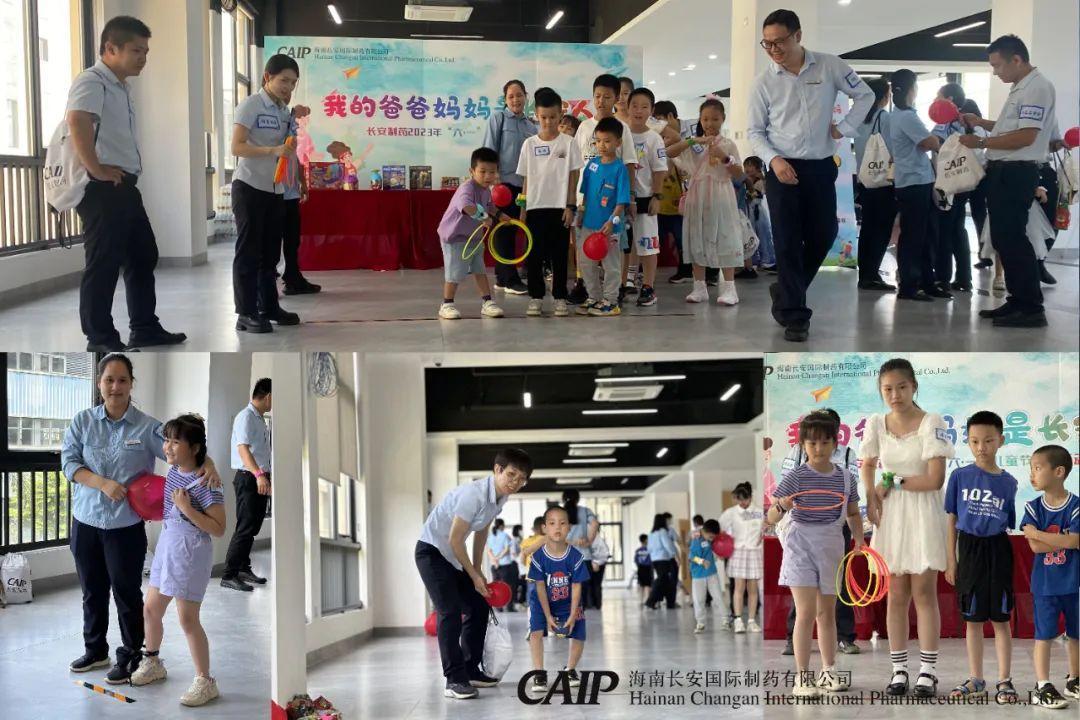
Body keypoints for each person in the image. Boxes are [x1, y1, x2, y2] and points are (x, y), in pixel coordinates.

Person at [62, 354, 221, 684]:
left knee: (127, 593)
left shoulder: (148, 427)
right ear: (99, 383)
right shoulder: (83, 421)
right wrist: (102, 483)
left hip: (125, 526)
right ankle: (95, 650)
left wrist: (210, 464)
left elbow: (183, 446)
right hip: (86, 520)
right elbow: (69, 463)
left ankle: (132, 654)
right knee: (92, 591)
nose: (115, 387)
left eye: (122, 380)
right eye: (109, 380)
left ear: (132, 384)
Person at [748, 9, 874, 342]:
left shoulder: (830, 66)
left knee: (824, 233)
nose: (774, 50)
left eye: (779, 42)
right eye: (767, 44)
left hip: (820, 166)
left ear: (798, 36)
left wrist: (844, 128)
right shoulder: (763, 82)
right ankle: (795, 315)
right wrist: (774, 160)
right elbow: (755, 132)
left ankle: (786, 290)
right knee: (788, 241)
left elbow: (865, 95)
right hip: (782, 168)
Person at [66, 16, 186, 352]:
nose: (143, 57)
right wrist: (96, 169)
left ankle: (144, 328)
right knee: (103, 262)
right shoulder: (92, 81)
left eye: (146, 51)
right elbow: (77, 120)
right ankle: (100, 339)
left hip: (123, 186)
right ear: (110, 48)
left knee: (143, 254)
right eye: (136, 50)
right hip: (102, 188)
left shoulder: (120, 86)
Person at [859, 358, 954, 698]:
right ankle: (899, 670)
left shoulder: (932, 422)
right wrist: (871, 494)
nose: (895, 395)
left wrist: (893, 481)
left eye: (901, 387)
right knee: (896, 595)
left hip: (923, 512)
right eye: (887, 389)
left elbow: (934, 479)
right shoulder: (876, 423)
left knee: (924, 594)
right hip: (892, 515)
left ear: (914, 386)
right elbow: (868, 464)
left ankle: (928, 672)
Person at [415, 449, 532, 700]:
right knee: (449, 611)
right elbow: (455, 539)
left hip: (450, 557)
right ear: (498, 469)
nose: (515, 482)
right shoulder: (473, 494)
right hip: (431, 553)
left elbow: (481, 531)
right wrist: (473, 575)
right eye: (511, 475)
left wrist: (478, 570)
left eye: (522, 479)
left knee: (478, 606)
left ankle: (470, 670)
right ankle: (454, 680)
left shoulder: (500, 497)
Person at [959, 34, 1056, 328]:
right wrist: (981, 123)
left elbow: (1026, 136)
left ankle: (1031, 308)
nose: (995, 72)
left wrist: (981, 142)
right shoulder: (1020, 87)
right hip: (1005, 170)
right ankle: (1018, 300)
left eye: (997, 65)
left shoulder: (1037, 88)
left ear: (1016, 59)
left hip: (1017, 172)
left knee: (1012, 238)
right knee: (1003, 237)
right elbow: (1010, 129)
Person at [130, 414, 226, 707]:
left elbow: (219, 528)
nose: (167, 447)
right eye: (167, 440)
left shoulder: (208, 483)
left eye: (175, 442)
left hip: (191, 550)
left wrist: (187, 508)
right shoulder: (175, 470)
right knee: (150, 609)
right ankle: (153, 662)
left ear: (194, 448)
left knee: (187, 619)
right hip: (168, 543)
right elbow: (199, 457)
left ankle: (205, 682)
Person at [768, 411, 863, 696]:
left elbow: (853, 513)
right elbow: (771, 516)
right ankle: (802, 678)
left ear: (835, 443)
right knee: (806, 612)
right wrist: (782, 506)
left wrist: (859, 540)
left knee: (827, 613)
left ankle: (828, 672)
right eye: (812, 443)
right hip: (800, 547)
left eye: (824, 442)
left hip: (832, 546)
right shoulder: (795, 477)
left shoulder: (846, 478)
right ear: (802, 445)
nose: (818, 449)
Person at [943, 411, 1018, 703]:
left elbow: (1008, 522)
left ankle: (1005, 680)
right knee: (972, 618)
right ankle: (976, 678)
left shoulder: (1009, 482)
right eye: (974, 441)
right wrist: (952, 560)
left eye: (988, 440)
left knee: (1001, 618)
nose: (981, 447)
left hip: (998, 549)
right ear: (968, 441)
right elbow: (951, 520)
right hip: (969, 549)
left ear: (1001, 440)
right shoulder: (959, 476)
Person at [230, 54, 306, 334]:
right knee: (249, 253)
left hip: (276, 190)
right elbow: (237, 147)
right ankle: (246, 313)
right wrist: (272, 150)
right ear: (267, 77)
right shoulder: (251, 105)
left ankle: (269, 307)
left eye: (293, 83)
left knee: (271, 254)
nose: (288, 87)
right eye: (284, 80)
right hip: (250, 187)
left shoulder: (283, 112)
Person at [666, 99, 744, 306]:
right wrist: (693, 141)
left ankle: (730, 289)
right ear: (700, 120)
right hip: (697, 194)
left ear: (723, 119)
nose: (710, 123)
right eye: (706, 119)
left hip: (721, 194)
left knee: (725, 237)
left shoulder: (728, 144)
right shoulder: (695, 144)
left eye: (715, 119)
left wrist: (724, 157)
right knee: (696, 236)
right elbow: (670, 152)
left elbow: (739, 173)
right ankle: (699, 287)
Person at [572, 74, 640, 310]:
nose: (601, 101)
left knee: (611, 259)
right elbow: (576, 165)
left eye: (607, 96)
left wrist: (629, 200)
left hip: (611, 210)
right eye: (597, 96)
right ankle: (592, 295)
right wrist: (577, 206)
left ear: (616, 98)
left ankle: (611, 298)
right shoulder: (584, 127)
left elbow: (630, 164)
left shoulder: (623, 130)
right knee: (586, 256)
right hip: (587, 207)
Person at [1021, 444, 1079, 708]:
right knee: (1044, 635)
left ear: (1058, 472)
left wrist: (1038, 533)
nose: (1032, 474)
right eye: (1031, 468)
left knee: (1075, 633)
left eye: (1037, 468)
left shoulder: (1076, 505)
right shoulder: (1033, 507)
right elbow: (1035, 547)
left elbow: (1075, 540)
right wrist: (1062, 539)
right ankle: (1042, 685)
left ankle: (1074, 679)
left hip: (1074, 583)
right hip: (1045, 585)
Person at [516, 87, 582, 318]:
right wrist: (523, 208)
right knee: (534, 255)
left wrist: (570, 206)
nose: (548, 122)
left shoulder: (569, 143)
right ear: (536, 115)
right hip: (535, 208)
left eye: (553, 117)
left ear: (560, 115)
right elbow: (526, 179)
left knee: (559, 255)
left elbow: (573, 177)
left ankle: (560, 296)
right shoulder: (529, 144)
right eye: (543, 117)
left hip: (560, 209)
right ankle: (536, 296)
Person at [886, 69, 949, 303]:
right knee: (914, 236)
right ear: (911, 89)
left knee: (926, 234)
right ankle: (909, 286)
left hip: (918, 180)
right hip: (914, 182)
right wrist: (935, 142)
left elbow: (925, 143)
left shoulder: (899, 115)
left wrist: (930, 142)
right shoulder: (906, 117)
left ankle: (926, 282)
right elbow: (930, 142)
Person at [435, 147, 508, 320]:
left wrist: (500, 215)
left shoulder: (486, 190)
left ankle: (487, 302)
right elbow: (467, 207)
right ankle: (447, 304)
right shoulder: (466, 188)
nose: (487, 176)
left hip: (473, 236)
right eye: (482, 171)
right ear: (472, 171)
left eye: (492, 172)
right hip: (455, 237)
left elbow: (490, 206)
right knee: (454, 272)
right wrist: (484, 217)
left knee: (479, 269)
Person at [526, 505, 590, 696]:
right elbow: (539, 587)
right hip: (541, 601)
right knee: (536, 633)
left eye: (562, 523)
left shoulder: (576, 557)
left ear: (569, 527)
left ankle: (569, 670)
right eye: (552, 523)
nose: (557, 527)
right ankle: (539, 673)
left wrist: (572, 614)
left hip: (568, 601)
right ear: (544, 528)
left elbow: (577, 586)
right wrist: (547, 617)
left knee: (579, 633)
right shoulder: (538, 557)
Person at [482, 79, 537, 295]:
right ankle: (508, 280)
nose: (515, 100)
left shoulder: (531, 126)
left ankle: (502, 277)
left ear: (526, 96)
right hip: (502, 185)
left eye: (519, 95)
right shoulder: (498, 118)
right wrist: (492, 180)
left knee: (513, 231)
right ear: (505, 99)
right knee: (503, 231)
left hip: (523, 187)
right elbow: (489, 150)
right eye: (511, 96)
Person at [574, 117, 631, 317]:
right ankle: (594, 297)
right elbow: (585, 194)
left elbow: (622, 201)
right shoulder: (592, 165)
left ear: (618, 142)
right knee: (586, 262)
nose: (601, 145)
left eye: (607, 141)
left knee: (611, 266)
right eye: (598, 141)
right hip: (588, 224)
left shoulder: (620, 169)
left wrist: (612, 221)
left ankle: (611, 301)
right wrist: (581, 212)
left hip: (609, 227)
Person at [221, 378, 272, 592]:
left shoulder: (258, 418)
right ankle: (228, 575)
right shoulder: (246, 417)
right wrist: (259, 475)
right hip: (249, 477)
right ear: (268, 396)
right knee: (245, 528)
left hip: (258, 477)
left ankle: (242, 568)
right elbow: (243, 449)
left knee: (252, 527)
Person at [625, 88, 670, 307]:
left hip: (646, 198)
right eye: (634, 105)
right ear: (627, 107)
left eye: (644, 107)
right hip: (622, 200)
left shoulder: (654, 138)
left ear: (651, 111)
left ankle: (648, 287)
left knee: (647, 244)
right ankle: (623, 284)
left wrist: (657, 197)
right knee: (624, 246)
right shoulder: (621, 134)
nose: (638, 111)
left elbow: (660, 169)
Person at [931, 83, 977, 293]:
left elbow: (936, 147)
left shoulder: (944, 124)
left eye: (938, 96)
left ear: (949, 99)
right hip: (964, 181)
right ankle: (964, 278)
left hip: (947, 183)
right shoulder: (967, 121)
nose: (935, 100)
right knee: (958, 230)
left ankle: (942, 278)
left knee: (944, 231)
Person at [854, 78, 897, 292]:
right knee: (882, 229)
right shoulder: (884, 118)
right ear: (883, 97)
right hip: (883, 182)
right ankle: (871, 275)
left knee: (868, 228)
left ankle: (866, 274)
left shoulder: (860, 119)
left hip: (865, 181)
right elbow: (893, 151)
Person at [279, 112, 320, 296]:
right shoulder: (272, 134)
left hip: (291, 194)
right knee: (271, 242)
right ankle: (264, 287)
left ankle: (293, 278)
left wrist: (302, 183)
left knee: (292, 240)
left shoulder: (291, 134)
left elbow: (296, 159)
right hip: (274, 194)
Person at [655, 101, 692, 284]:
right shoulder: (658, 138)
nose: (659, 126)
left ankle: (687, 270)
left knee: (682, 237)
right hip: (663, 198)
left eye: (660, 120)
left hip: (682, 198)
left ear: (670, 116)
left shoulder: (690, 133)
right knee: (659, 237)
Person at [721, 482, 763, 633]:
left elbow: (767, 528)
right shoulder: (731, 513)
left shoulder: (759, 512)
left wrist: (762, 536)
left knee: (753, 588)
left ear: (750, 497)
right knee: (739, 587)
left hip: (754, 552)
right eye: (739, 500)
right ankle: (738, 620)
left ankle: (751, 621)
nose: (742, 503)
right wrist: (723, 546)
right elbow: (720, 529)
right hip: (738, 551)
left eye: (745, 499)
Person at [561, 489, 599, 607]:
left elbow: (556, 536)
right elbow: (595, 524)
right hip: (584, 556)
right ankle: (581, 609)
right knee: (583, 587)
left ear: (563, 499)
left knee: (566, 586)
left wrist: (572, 542)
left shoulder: (559, 513)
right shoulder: (586, 511)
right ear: (577, 499)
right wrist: (589, 541)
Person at [689, 519, 728, 634]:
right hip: (698, 575)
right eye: (710, 537)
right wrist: (702, 561)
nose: (712, 539)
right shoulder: (696, 539)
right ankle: (700, 622)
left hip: (711, 573)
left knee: (718, 596)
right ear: (705, 531)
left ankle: (726, 619)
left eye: (713, 537)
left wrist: (719, 554)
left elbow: (714, 548)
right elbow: (691, 557)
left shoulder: (711, 538)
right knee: (699, 599)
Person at [742, 156, 777, 273]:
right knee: (750, 236)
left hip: (758, 211)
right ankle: (753, 261)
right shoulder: (744, 180)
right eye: (746, 166)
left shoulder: (761, 180)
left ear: (757, 168)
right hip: (748, 211)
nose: (747, 168)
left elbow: (763, 192)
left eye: (750, 165)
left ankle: (767, 260)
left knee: (763, 234)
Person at [644, 514, 678, 610]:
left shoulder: (651, 534)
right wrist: (674, 554)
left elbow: (649, 549)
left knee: (664, 580)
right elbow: (668, 545)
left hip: (654, 560)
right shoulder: (662, 532)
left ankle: (667, 602)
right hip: (663, 559)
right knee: (662, 580)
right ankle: (651, 601)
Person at [485, 518, 518, 612]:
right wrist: (498, 558)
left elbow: (489, 550)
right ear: (501, 526)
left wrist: (494, 559)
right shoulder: (504, 535)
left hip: (494, 566)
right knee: (508, 586)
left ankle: (498, 607)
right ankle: (509, 607)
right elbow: (507, 549)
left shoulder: (490, 537)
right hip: (505, 565)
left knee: (496, 587)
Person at [588, 532, 610, 610]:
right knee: (590, 585)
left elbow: (605, 554)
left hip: (598, 564)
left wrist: (596, 562)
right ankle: (592, 604)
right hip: (592, 563)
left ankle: (596, 604)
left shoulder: (598, 540)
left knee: (596, 585)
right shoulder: (590, 539)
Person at [634, 533, 653, 603]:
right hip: (648, 568)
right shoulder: (649, 550)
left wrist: (639, 565)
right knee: (648, 585)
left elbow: (635, 560)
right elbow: (652, 559)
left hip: (640, 568)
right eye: (648, 539)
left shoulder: (638, 550)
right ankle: (648, 600)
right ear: (645, 540)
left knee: (641, 585)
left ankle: (641, 600)